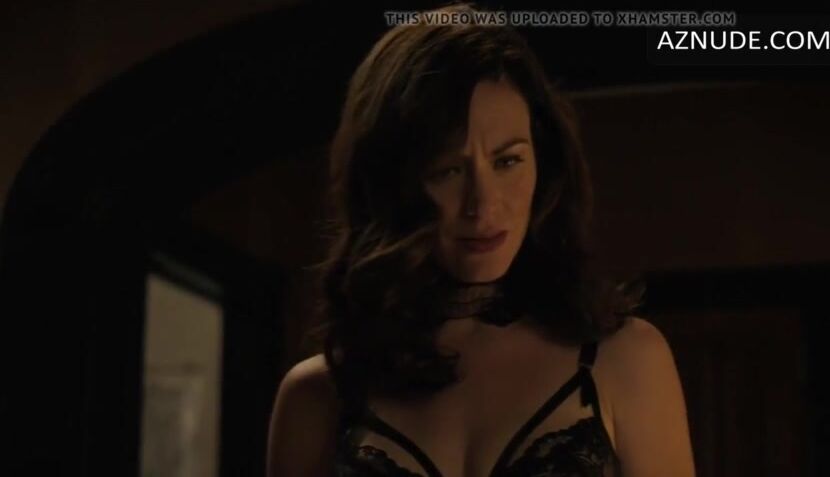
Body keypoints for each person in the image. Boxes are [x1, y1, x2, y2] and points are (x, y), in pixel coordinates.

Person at [267, 4, 695, 476]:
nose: (484, 206)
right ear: (391, 185)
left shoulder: (625, 361)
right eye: (448, 170)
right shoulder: (316, 397)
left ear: (544, 164)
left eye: (508, 161)